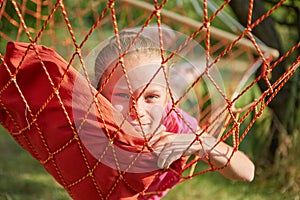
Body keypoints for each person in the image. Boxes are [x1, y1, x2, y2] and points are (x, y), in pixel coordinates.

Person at [93, 30, 255, 199]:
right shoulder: (86, 114)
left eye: (151, 97)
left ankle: (183, 77)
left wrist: (201, 142)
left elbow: (247, 171)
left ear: (165, 99)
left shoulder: (174, 123)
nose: (137, 110)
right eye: (124, 95)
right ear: (98, 92)